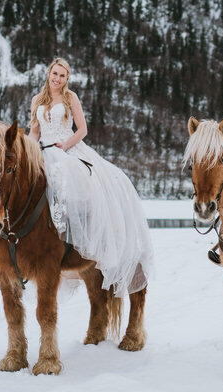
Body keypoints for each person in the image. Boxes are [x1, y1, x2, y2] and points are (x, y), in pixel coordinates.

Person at [28, 58, 153, 296]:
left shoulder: (70, 98)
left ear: (67, 79)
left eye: (63, 76)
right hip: (42, 150)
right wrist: (28, 152)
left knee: (70, 182)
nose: (57, 79)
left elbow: (83, 129)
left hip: (66, 148)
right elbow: (34, 132)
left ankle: (71, 235)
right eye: (55, 74)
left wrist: (65, 145)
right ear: (48, 73)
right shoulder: (37, 100)